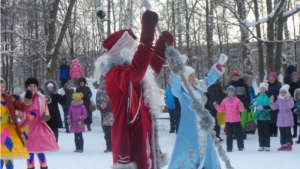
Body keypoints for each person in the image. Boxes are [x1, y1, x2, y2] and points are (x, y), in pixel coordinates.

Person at [94, 10, 171, 168]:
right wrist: (147, 35)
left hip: (142, 129)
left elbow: (149, 72)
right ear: (122, 50)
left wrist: (161, 48)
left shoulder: (127, 69)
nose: (135, 50)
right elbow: (137, 71)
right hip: (130, 133)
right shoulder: (115, 73)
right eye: (133, 47)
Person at [169, 52, 227, 168]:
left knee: (207, 147)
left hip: (202, 125)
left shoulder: (198, 86)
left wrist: (219, 65)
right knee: (188, 149)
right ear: (185, 76)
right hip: (188, 127)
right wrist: (178, 66)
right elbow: (173, 81)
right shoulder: (181, 90)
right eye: (191, 75)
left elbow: (209, 79)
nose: (194, 77)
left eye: (194, 74)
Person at [20, 77, 59, 169]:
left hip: (38, 127)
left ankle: (43, 166)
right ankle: (30, 167)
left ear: (37, 87)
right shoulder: (22, 98)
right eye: (30, 86)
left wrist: (46, 115)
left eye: (34, 86)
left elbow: (46, 111)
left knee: (40, 149)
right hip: (26, 128)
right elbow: (19, 112)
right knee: (29, 150)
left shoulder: (42, 98)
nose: (32, 88)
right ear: (27, 87)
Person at [0, 78, 32, 169]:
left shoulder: (9, 98)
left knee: (8, 153)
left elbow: (23, 107)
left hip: (7, 130)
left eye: (3, 86)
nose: (1, 89)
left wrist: (28, 98)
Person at [215, 85, 245, 152]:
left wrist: (241, 106)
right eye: (229, 92)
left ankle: (240, 146)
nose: (230, 93)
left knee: (238, 134)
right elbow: (221, 109)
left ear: (234, 93)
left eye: (232, 92)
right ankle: (229, 148)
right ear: (227, 92)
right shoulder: (225, 100)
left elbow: (241, 110)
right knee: (229, 134)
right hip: (228, 120)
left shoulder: (237, 100)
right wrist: (216, 106)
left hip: (236, 120)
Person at [270, 84, 294, 151]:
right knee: (282, 132)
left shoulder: (290, 98)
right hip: (280, 117)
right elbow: (274, 108)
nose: (282, 93)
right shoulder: (278, 99)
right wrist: (272, 102)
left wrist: (288, 99)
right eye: (281, 92)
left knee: (288, 132)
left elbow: (291, 106)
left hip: (288, 116)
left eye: (284, 92)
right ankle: (283, 144)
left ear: (286, 92)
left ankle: (289, 144)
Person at [250, 83, 271, 151]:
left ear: (266, 89)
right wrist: (253, 104)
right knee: (260, 131)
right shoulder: (257, 96)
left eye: (264, 88)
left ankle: (267, 145)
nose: (262, 90)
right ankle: (261, 145)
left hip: (266, 116)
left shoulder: (268, 97)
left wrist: (264, 107)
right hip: (259, 116)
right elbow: (250, 106)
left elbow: (271, 106)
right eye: (261, 88)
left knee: (266, 131)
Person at [230, 71, 250, 139]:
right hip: (233, 105)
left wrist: (247, 104)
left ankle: (243, 134)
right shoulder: (231, 85)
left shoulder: (244, 85)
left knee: (242, 119)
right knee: (235, 120)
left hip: (242, 104)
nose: (235, 77)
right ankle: (236, 134)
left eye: (236, 76)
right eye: (233, 76)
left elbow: (247, 95)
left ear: (238, 77)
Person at [96, 80, 114, 153]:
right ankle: (108, 146)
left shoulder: (110, 91)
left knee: (111, 130)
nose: (103, 85)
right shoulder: (99, 91)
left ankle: (113, 146)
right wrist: (99, 107)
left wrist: (109, 108)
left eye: (105, 84)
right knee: (106, 130)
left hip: (110, 112)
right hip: (103, 112)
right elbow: (97, 99)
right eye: (102, 84)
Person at [267, 72, 281, 137]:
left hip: (276, 103)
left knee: (275, 117)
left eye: (272, 78)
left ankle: (275, 131)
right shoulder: (267, 86)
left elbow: (280, 94)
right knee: (269, 117)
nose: (271, 79)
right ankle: (269, 131)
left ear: (275, 79)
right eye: (270, 78)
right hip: (268, 103)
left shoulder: (278, 86)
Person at [288, 71, 300, 138]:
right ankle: (294, 132)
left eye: (297, 75)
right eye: (294, 76)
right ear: (292, 77)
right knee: (294, 119)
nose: (295, 77)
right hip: (293, 103)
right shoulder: (289, 84)